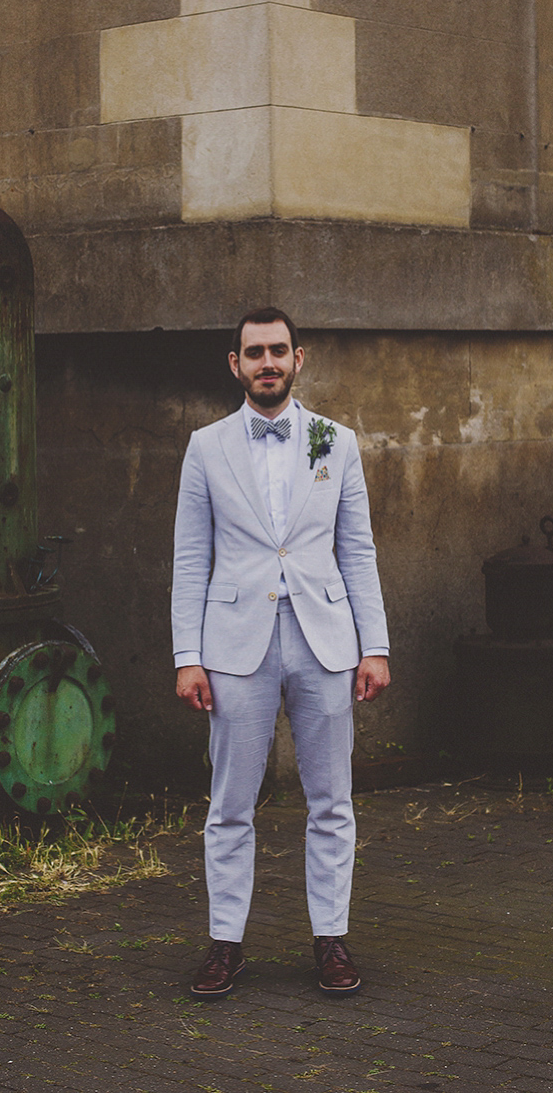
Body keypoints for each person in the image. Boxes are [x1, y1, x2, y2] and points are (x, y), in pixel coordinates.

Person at [172, 306, 390, 998]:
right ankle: (225, 944)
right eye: (254, 352)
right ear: (234, 364)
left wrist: (374, 645)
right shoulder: (205, 447)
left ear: (300, 359)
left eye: (279, 350)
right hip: (236, 647)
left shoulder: (336, 440)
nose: (268, 362)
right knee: (231, 802)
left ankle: (331, 938)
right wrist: (187, 656)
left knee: (331, 800)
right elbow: (189, 558)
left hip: (324, 641)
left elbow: (357, 549)